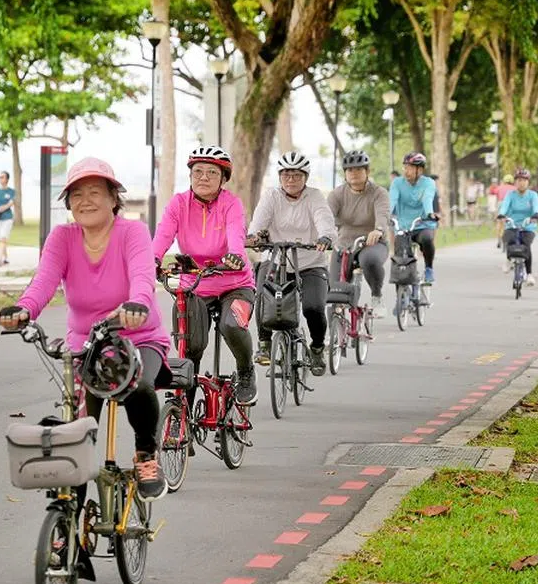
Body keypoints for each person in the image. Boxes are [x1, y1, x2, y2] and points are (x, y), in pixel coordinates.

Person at [0, 157, 169, 501]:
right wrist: (23, 310)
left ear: (113, 199)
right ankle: (70, 519)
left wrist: (137, 304)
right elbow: (42, 284)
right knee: (75, 427)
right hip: (87, 345)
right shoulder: (62, 237)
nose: (85, 201)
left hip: (138, 336)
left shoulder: (132, 231)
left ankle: (146, 455)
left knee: (140, 386)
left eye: (94, 192)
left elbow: (142, 277)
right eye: (76, 195)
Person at [151, 145, 257, 406]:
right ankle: (182, 408)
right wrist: (151, 260)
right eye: (197, 171)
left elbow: (236, 234)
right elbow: (163, 235)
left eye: (212, 172)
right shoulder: (178, 204)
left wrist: (234, 256)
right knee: (190, 346)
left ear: (223, 179)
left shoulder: (231, 203)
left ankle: (246, 372)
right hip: (196, 285)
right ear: (190, 176)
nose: (204, 177)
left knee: (231, 325)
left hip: (236, 283)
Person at [247, 151, 336, 376]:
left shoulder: (314, 197)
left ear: (305, 177)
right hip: (276, 259)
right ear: (279, 177)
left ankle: (316, 347)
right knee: (262, 296)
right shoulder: (271, 196)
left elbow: (324, 220)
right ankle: (265, 344)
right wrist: (255, 237)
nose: (291, 180)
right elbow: (258, 222)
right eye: (286, 174)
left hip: (310, 262)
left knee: (313, 307)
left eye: (297, 175)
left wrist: (325, 237)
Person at [328, 149, 391, 315]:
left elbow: (382, 214)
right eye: (350, 170)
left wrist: (378, 230)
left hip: (371, 243)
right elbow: (326, 216)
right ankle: (335, 332)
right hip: (344, 245)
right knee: (334, 292)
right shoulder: (337, 194)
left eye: (358, 169)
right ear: (345, 173)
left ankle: (377, 297)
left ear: (367, 171)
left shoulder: (379, 193)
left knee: (369, 260)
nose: (354, 173)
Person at [389, 151, 439, 284]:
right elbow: (392, 200)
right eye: (405, 167)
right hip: (403, 226)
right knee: (400, 261)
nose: (406, 171)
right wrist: (386, 214)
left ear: (420, 169)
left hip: (422, 224)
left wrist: (429, 213)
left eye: (410, 168)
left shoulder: (429, 183)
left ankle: (429, 268)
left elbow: (427, 199)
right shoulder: (397, 183)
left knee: (427, 239)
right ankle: (401, 299)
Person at [496, 169, 538, 285]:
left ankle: (529, 274)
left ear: (528, 182)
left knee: (526, 245)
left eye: (524, 180)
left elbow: (536, 208)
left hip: (528, 226)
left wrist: (535, 215)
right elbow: (504, 206)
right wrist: (502, 214)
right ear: (515, 182)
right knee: (508, 239)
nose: (522, 183)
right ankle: (508, 259)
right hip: (512, 224)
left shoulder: (533, 195)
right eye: (519, 180)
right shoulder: (511, 195)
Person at [0, 171, 16, 267]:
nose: (0, 179)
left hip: (7, 218)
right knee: (0, 238)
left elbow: (11, 202)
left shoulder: (11, 191)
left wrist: (3, 208)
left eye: (2, 177)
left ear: (7, 179)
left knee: (3, 237)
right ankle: (6, 258)